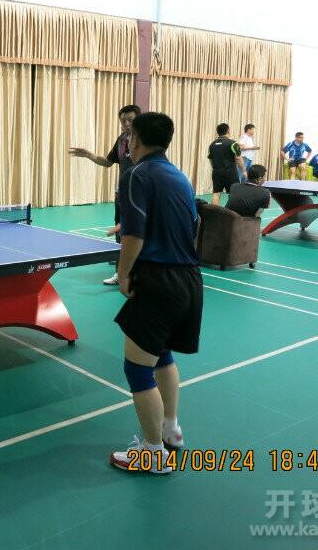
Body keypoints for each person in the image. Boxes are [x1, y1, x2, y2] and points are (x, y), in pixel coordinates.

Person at [109, 112, 203, 474]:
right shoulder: (179, 176)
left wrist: (123, 274)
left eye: (129, 136)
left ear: (135, 139)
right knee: (161, 354)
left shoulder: (137, 174)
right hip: (189, 280)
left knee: (137, 369)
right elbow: (193, 223)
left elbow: (134, 237)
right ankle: (171, 430)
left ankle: (152, 453)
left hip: (158, 282)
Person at [69, 104, 141, 285]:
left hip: (139, 195)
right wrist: (89, 155)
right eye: (123, 121)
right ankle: (121, 272)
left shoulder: (144, 141)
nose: (126, 124)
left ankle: (137, 273)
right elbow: (108, 162)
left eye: (130, 120)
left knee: (136, 233)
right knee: (121, 234)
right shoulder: (121, 140)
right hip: (122, 195)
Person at [207, 123, 245, 205]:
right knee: (234, 194)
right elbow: (239, 158)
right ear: (228, 131)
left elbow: (210, 159)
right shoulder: (233, 143)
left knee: (216, 194)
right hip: (230, 172)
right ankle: (232, 212)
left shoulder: (212, 145)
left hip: (216, 172)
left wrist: (215, 167)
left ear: (218, 132)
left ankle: (213, 212)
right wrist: (244, 171)